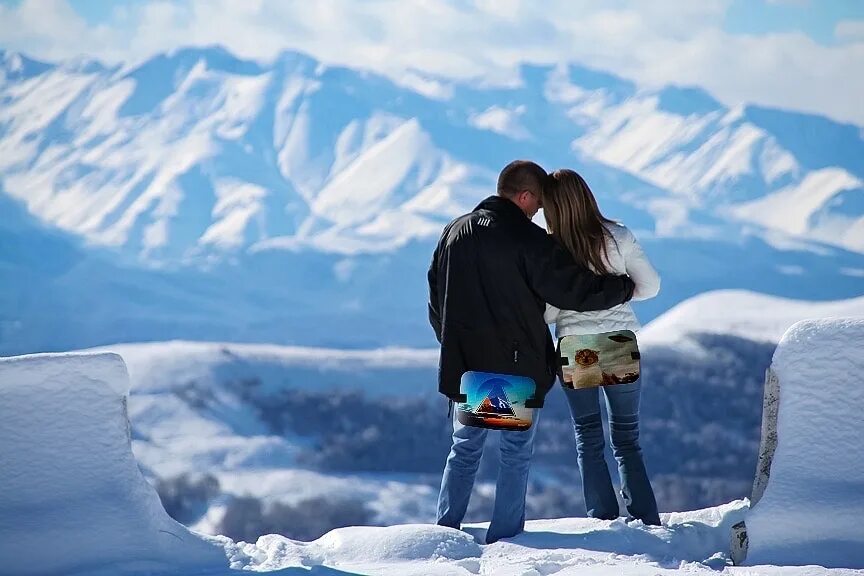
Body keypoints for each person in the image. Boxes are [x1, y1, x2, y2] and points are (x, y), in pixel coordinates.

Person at [427, 160, 637, 543]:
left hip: (469, 365)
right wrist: (622, 288)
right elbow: (572, 289)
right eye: (538, 204)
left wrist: (456, 345)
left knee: (465, 450)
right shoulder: (526, 238)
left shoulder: (454, 232)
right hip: (513, 364)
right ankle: (505, 540)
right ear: (524, 196)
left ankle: (445, 534)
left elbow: (436, 302)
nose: (539, 211)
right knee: (514, 454)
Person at [542, 168, 662, 525]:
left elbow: (547, 312)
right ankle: (645, 517)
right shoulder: (618, 235)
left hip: (575, 345)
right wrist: (621, 289)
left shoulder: (551, 248)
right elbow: (651, 286)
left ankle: (602, 518)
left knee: (587, 435)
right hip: (618, 341)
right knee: (627, 437)